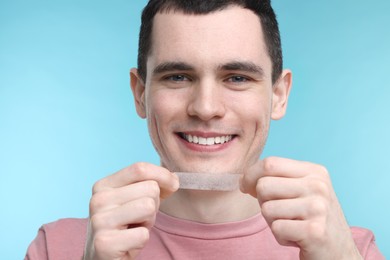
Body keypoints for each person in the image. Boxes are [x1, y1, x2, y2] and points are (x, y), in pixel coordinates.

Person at [26, 0, 384, 259]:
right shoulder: (56, 248)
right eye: (178, 76)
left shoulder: (350, 249)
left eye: (237, 77)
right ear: (141, 94)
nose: (206, 107)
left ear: (278, 94)